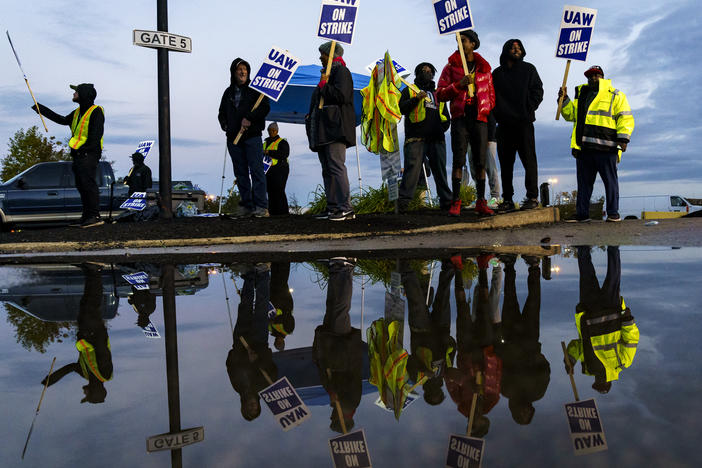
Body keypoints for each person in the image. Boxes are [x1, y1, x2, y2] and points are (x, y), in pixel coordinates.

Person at [559, 66, 635, 222]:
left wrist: (623, 138)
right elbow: (571, 115)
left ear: (603, 77)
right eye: (590, 76)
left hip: (607, 147)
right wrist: (564, 100)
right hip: (585, 148)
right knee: (584, 185)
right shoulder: (582, 95)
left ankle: (613, 213)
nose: (593, 78)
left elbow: (625, 117)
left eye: (596, 75)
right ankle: (582, 215)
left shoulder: (616, 95)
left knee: (610, 182)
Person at [437, 30, 496, 216]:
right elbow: (440, 93)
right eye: (458, 40)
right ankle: (456, 201)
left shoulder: (485, 68)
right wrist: (458, 85)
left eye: (463, 40)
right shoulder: (450, 67)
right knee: (458, 160)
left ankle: (481, 201)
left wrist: (486, 107)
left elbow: (491, 95)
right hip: (460, 118)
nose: (459, 43)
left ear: (473, 44)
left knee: (480, 161)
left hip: (479, 118)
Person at [565, 246, 639, 393]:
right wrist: (627, 319)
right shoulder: (622, 363)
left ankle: (583, 247)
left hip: (589, 312)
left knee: (586, 275)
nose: (599, 381)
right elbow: (631, 339)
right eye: (602, 384)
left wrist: (570, 360)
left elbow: (579, 345)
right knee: (613, 275)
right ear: (608, 382)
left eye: (597, 384)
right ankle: (613, 246)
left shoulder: (588, 367)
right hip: (611, 309)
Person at [31, 83, 105, 227]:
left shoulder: (96, 111)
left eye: (76, 91)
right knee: (81, 184)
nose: (74, 93)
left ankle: (95, 216)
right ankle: (86, 216)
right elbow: (62, 120)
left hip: (89, 154)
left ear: (83, 93)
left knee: (88, 184)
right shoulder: (77, 112)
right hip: (79, 154)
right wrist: (40, 109)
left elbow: (96, 135)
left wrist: (84, 149)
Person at [40, 263, 113, 403]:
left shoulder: (86, 374)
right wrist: (93, 333)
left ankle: (89, 272)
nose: (83, 391)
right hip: (94, 332)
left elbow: (70, 368)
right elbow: (103, 351)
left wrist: (49, 381)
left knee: (86, 302)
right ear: (94, 390)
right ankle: (96, 271)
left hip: (84, 332)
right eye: (86, 394)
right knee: (92, 303)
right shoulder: (105, 374)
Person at [496, 254, 551, 425]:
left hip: (510, 338)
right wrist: (535, 357)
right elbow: (545, 369)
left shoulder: (505, 390)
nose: (524, 411)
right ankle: (534, 267)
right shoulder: (537, 392)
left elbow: (498, 367)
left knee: (509, 298)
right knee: (533, 301)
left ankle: (509, 266)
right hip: (529, 340)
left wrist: (500, 348)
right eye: (527, 414)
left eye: (521, 414)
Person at [306, 42, 356, 221]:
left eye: (323, 55)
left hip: (335, 128)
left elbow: (342, 96)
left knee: (336, 166)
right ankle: (333, 207)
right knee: (327, 169)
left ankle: (345, 208)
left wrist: (324, 86)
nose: (320, 58)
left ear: (332, 55)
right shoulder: (328, 74)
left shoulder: (342, 72)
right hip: (324, 130)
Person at [492, 39, 544, 212]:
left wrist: (528, 107)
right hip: (504, 124)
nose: (517, 49)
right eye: (513, 47)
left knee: (529, 161)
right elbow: (491, 97)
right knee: (506, 164)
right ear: (506, 50)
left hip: (524, 123)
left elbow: (538, 90)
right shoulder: (497, 74)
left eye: (519, 47)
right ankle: (507, 200)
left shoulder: (529, 69)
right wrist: (497, 114)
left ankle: (532, 197)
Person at [313, 258, 363, 432]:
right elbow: (348, 379)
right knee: (340, 308)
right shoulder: (351, 402)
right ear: (341, 419)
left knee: (333, 306)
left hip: (330, 345)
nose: (331, 415)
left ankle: (336, 271)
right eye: (334, 419)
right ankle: (345, 269)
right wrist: (336, 394)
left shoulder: (337, 403)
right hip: (342, 345)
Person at [218, 58, 271, 218]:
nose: (242, 72)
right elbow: (221, 112)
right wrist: (225, 125)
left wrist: (250, 118)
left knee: (257, 171)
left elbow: (265, 107)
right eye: (239, 69)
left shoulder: (255, 91)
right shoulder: (228, 93)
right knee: (241, 173)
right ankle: (248, 207)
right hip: (234, 139)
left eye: (245, 70)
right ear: (233, 73)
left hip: (252, 137)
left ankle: (261, 206)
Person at [397, 63, 452, 212]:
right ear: (417, 73)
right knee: (412, 171)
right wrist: (416, 99)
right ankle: (403, 205)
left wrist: (441, 128)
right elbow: (401, 108)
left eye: (430, 71)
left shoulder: (438, 93)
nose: (427, 73)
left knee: (440, 171)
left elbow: (446, 116)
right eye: (423, 70)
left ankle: (446, 202)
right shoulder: (410, 90)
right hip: (416, 137)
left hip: (436, 138)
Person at [401, 260, 456, 406]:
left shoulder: (416, 378)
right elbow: (452, 348)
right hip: (442, 329)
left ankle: (405, 266)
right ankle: (449, 265)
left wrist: (424, 369)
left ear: (426, 392)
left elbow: (408, 360)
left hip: (420, 331)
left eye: (432, 393)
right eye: (438, 393)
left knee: (416, 301)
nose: (435, 390)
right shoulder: (445, 373)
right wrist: (448, 342)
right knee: (443, 297)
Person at [226, 263, 277, 421]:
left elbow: (230, 363)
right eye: (255, 408)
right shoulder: (264, 386)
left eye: (249, 408)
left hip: (241, 340)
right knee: (261, 307)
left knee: (245, 305)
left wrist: (242, 355)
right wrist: (258, 360)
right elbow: (272, 368)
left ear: (243, 406)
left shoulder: (238, 386)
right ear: (258, 405)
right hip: (260, 341)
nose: (252, 406)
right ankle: (263, 274)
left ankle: (249, 276)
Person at [468, 112, 501, 209]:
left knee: (490, 168)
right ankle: (480, 198)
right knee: (474, 168)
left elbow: (491, 117)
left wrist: (489, 138)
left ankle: (495, 197)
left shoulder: (485, 97)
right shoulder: (469, 98)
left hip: (488, 138)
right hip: (472, 138)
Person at [263, 123, 291, 216]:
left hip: (280, 169)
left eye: (273, 130)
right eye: (269, 130)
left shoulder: (282, 142)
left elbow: (284, 154)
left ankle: (283, 212)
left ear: (277, 131)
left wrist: (268, 152)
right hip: (267, 170)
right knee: (270, 191)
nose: (271, 132)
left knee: (279, 190)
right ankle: (273, 212)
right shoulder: (265, 143)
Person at [268, 262, 294, 351]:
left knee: (274, 279)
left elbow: (266, 316)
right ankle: (285, 260)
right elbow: (289, 316)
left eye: (276, 343)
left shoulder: (270, 329)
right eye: (280, 343)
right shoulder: (288, 330)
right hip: (284, 300)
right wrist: (275, 319)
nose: (278, 341)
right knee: (282, 280)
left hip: (272, 298)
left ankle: (275, 261)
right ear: (283, 342)